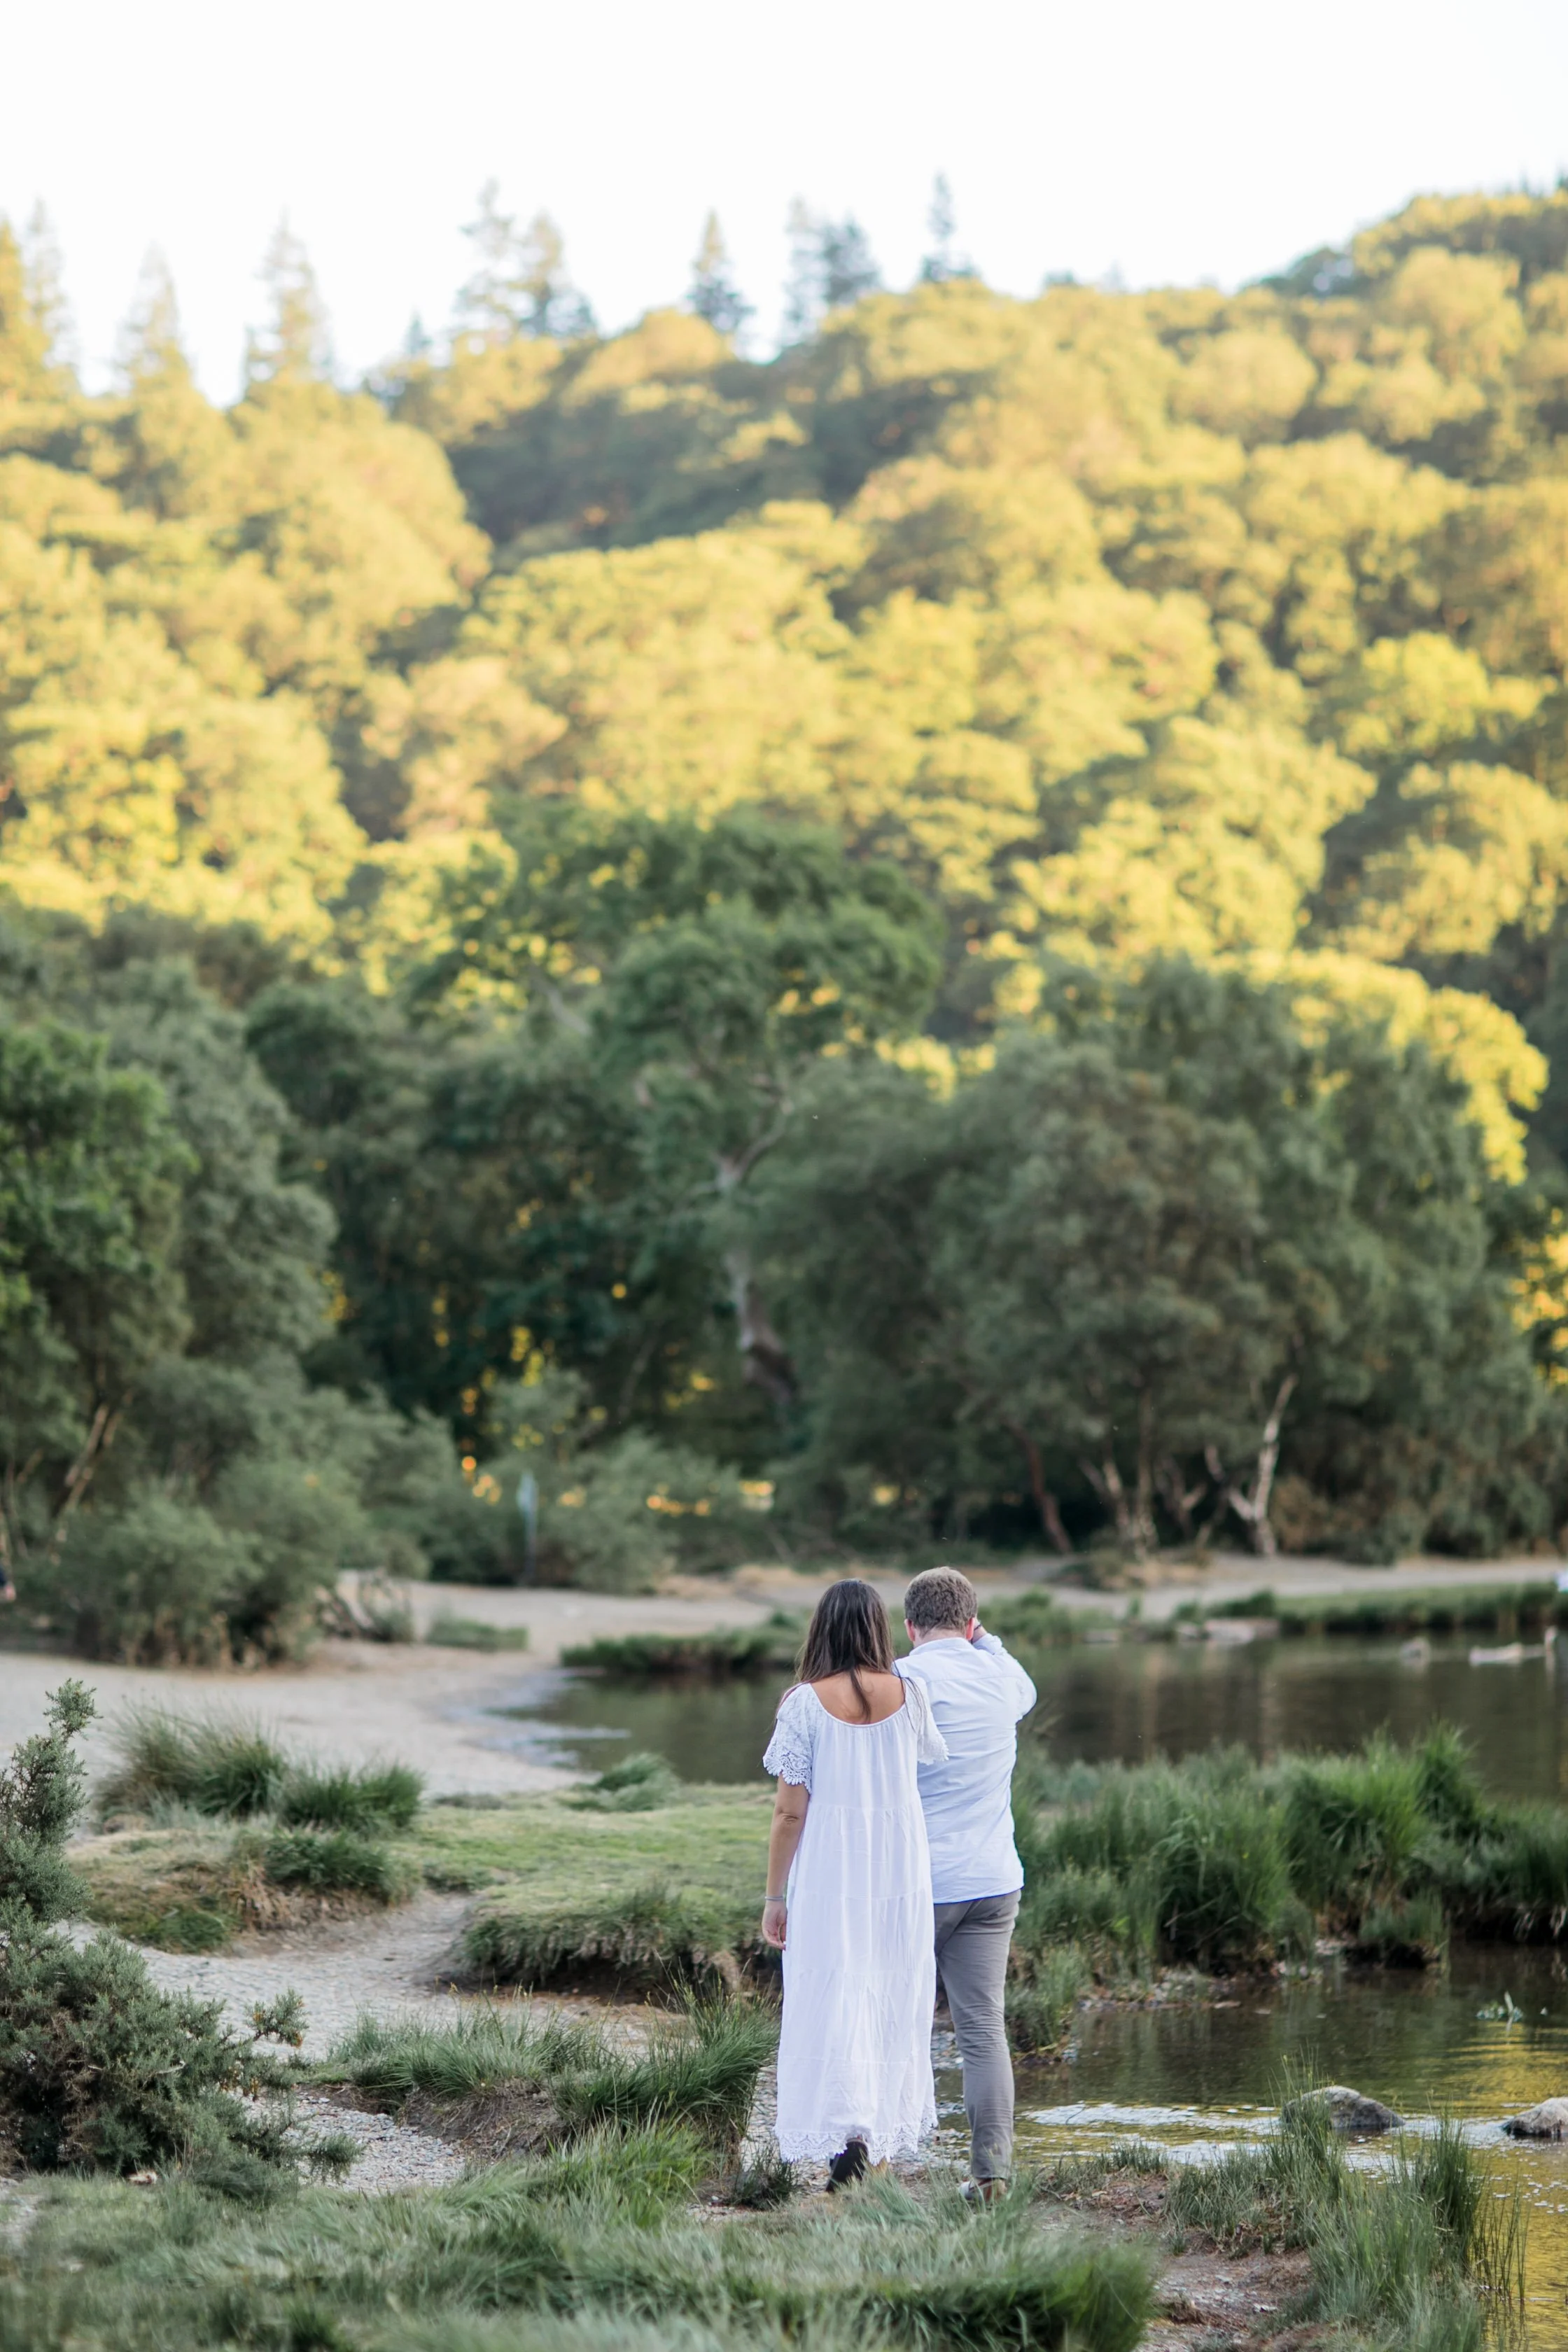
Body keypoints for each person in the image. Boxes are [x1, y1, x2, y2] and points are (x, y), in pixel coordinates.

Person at [760, 1577, 948, 2185]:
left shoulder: (804, 1704)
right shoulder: (912, 1693)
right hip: (898, 1871)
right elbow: (922, 1764)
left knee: (831, 1994)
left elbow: (790, 1812)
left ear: (821, 1628)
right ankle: (878, 2142)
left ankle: (851, 2142)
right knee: (893, 1991)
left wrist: (773, 1896)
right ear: (879, 1627)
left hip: (830, 1872)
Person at [897, 1565, 1037, 2195]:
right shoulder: (1003, 1679)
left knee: (892, 2019)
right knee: (982, 2030)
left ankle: (881, 2158)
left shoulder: (904, 1679)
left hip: (917, 1887)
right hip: (993, 1881)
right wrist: (987, 1641)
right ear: (972, 1623)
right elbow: (1014, 1672)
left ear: (910, 1625)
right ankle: (991, 2176)